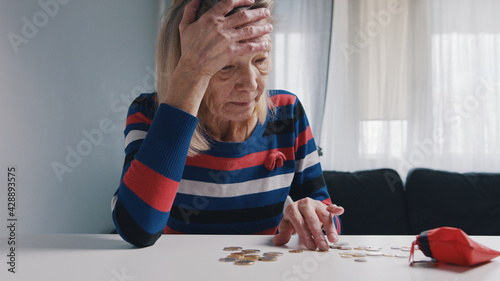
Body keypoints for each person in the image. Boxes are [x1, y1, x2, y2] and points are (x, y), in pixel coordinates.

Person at [111, 0, 344, 251]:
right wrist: (191, 73)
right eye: (225, 65)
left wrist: (311, 215)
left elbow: (328, 221)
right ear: (184, 64)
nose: (251, 84)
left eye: (260, 60)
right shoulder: (150, 112)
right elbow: (137, 229)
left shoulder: (288, 112)